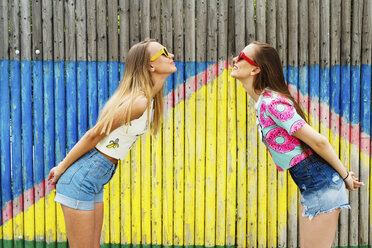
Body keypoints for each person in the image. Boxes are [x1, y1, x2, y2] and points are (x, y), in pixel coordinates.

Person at [230, 41, 363, 248]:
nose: (235, 60)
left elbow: (319, 141)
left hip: (322, 186)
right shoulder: (263, 102)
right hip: (312, 186)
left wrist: (345, 176)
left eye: (241, 57)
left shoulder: (272, 103)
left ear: (255, 69)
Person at [48, 39, 177, 248]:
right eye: (163, 52)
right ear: (150, 66)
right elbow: (94, 134)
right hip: (83, 178)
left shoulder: (149, 99)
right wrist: (62, 167)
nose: (170, 55)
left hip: (95, 177)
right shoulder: (139, 101)